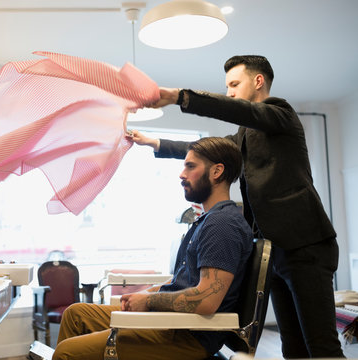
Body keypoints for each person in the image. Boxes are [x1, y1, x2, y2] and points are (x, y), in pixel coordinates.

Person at [127, 55, 344, 358]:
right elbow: (204, 152)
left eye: (234, 84)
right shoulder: (243, 136)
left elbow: (236, 109)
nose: (229, 92)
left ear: (258, 82)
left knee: (322, 348)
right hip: (275, 251)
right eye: (226, 86)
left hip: (305, 246)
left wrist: (179, 97)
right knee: (293, 348)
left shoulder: (281, 114)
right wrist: (155, 143)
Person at [52, 137, 253, 360]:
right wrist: (147, 293)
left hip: (186, 336)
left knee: (65, 352)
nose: (181, 174)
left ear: (217, 172)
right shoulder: (207, 220)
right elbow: (182, 280)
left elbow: (206, 300)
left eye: (190, 166)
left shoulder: (222, 224)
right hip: (171, 322)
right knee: (76, 314)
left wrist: (148, 302)